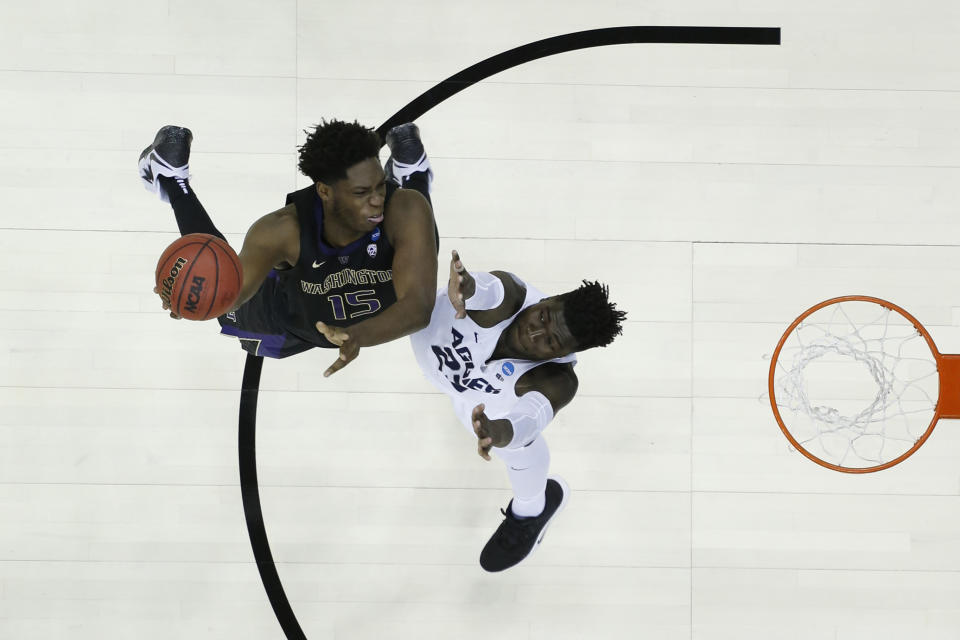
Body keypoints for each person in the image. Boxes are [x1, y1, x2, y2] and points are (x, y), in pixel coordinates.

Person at [138, 120, 438, 376]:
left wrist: (357, 336)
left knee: (420, 228)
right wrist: (196, 296)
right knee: (218, 276)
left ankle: (413, 176)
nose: (376, 200)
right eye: (361, 192)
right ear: (324, 191)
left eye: (380, 186)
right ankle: (171, 178)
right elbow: (234, 294)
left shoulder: (401, 210)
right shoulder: (281, 231)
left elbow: (418, 307)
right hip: (288, 317)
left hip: (371, 316)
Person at [410, 250, 626, 572]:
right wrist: (467, 286)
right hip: (413, 329)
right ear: (549, 298)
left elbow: (526, 419)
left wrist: (497, 432)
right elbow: (487, 291)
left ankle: (531, 510)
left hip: (478, 410)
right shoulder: (511, 295)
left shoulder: (557, 380)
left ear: (567, 352)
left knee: (521, 445)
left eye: (550, 343)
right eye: (542, 317)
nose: (534, 333)